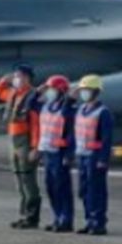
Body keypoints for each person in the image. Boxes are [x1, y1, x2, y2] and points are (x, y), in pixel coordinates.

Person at [0, 65, 43, 229]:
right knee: (19, 179)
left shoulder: (32, 97)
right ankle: (24, 215)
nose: (16, 79)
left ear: (27, 78)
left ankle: (33, 217)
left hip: (26, 142)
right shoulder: (13, 95)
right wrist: (4, 80)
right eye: (15, 77)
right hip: (14, 141)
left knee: (28, 180)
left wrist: (35, 148)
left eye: (18, 76)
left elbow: (36, 124)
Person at [36, 74, 76, 233]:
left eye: (52, 89)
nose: (49, 92)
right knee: (51, 188)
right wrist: (37, 92)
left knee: (62, 188)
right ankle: (57, 218)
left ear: (60, 91)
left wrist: (68, 155)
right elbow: (30, 105)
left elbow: (71, 133)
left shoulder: (68, 109)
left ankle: (66, 220)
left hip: (60, 154)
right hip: (48, 153)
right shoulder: (47, 107)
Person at [74, 75, 113, 236]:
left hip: (95, 157)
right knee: (84, 190)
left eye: (87, 90)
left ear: (96, 92)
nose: (84, 93)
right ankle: (89, 221)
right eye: (82, 90)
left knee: (96, 190)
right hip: (82, 155)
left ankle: (98, 223)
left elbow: (106, 138)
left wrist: (103, 159)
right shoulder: (81, 110)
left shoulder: (103, 113)